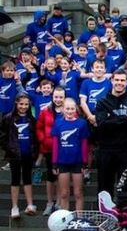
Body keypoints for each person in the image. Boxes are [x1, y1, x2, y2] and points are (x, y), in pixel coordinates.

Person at [95, 69, 127, 195]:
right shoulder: (102, 102)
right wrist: (125, 118)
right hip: (106, 149)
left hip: (125, 150)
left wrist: (111, 118)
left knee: (126, 187)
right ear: (111, 80)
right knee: (104, 188)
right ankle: (104, 214)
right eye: (117, 80)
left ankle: (125, 214)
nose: (119, 83)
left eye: (122, 80)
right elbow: (102, 124)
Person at [0, 93, 38, 218]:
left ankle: (30, 204)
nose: (23, 106)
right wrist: (8, 148)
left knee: (28, 178)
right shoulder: (8, 118)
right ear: (16, 103)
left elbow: (35, 137)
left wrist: (34, 152)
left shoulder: (32, 119)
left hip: (28, 153)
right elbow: (3, 136)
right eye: (21, 104)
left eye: (26, 104)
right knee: (15, 179)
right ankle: (14, 206)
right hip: (14, 154)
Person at [51, 98, 90, 210]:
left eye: (72, 108)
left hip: (77, 162)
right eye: (67, 108)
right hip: (62, 162)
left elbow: (84, 144)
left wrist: (84, 162)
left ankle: (79, 219)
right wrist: (54, 163)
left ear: (76, 109)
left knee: (78, 193)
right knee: (64, 193)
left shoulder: (81, 123)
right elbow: (55, 144)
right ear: (63, 109)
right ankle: (65, 220)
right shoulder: (58, 123)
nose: (70, 111)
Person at [36, 87, 65, 215]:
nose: (58, 100)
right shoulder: (45, 111)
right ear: (52, 97)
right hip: (48, 148)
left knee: (60, 176)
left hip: (64, 149)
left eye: (60, 97)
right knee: (50, 176)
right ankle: (49, 203)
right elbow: (39, 127)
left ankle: (59, 202)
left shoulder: (68, 110)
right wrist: (43, 140)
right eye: (56, 97)